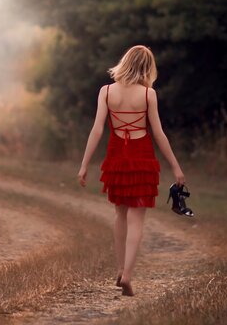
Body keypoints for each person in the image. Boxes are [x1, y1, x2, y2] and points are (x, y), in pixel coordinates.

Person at [77, 45, 186, 297]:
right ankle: (127, 275)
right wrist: (176, 166)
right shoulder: (149, 95)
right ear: (148, 68)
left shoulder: (106, 92)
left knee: (120, 214)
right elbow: (158, 133)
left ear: (125, 62)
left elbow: (97, 130)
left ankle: (119, 268)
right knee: (137, 218)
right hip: (142, 156)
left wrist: (84, 164)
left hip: (116, 156)